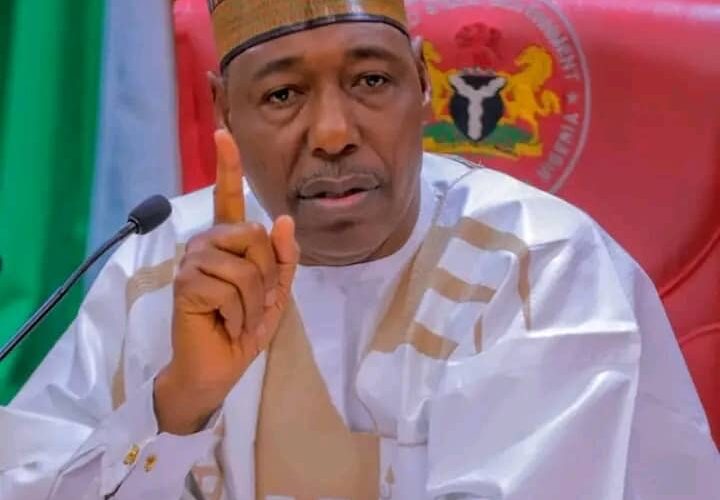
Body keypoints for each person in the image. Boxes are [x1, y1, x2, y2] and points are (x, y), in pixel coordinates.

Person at [1, 1, 718, 498]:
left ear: (424, 83)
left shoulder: (542, 266)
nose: (333, 133)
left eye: (371, 81)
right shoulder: (162, 268)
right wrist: (178, 404)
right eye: (283, 95)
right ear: (224, 109)